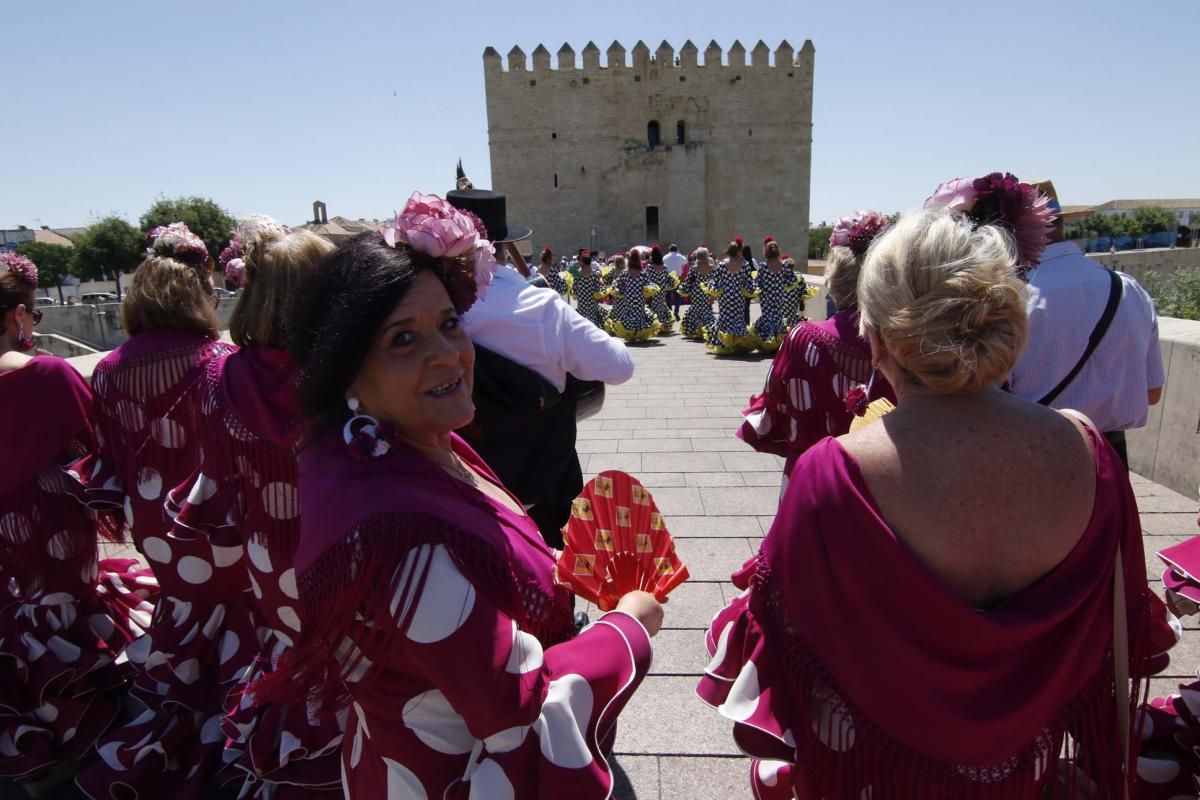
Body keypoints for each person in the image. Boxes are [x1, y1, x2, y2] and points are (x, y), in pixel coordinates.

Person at [698, 209, 1178, 799]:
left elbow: (792, 654)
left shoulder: (830, 472)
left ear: (874, 337)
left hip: (878, 779)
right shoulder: (1089, 451)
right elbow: (1117, 626)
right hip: (1022, 776)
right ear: (1009, 322)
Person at [256, 201, 662, 799]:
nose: (447, 354)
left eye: (449, 323)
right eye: (402, 339)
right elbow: (513, 704)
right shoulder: (396, 528)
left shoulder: (399, 443)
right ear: (344, 369)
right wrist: (632, 625)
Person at [75, 223, 248, 799]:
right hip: (209, 516)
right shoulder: (219, 359)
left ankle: (175, 726)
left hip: (150, 519)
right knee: (234, 622)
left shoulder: (107, 369)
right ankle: (228, 739)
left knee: (186, 613)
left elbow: (110, 453)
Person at [171, 219, 344, 798]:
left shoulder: (221, 374)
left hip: (270, 561)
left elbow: (215, 481)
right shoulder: (341, 375)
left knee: (296, 654)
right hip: (343, 553)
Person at [0, 252, 153, 791]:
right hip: (47, 527)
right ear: (19, 316)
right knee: (61, 613)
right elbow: (101, 448)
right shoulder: (45, 375)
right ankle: (66, 735)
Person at [445, 191, 634, 549]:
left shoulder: (427, 304)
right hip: (541, 487)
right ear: (502, 247)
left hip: (457, 489)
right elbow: (620, 366)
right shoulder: (539, 305)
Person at [1008, 179, 1164, 470]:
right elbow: (1151, 393)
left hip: (1036, 458)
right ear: (1062, 223)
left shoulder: (1013, 300)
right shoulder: (1129, 289)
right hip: (1112, 460)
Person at [738, 212, 896, 487]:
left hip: (810, 481)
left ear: (835, 278)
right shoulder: (903, 346)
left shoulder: (804, 338)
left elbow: (775, 404)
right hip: (883, 485)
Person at [705, 241, 756, 355]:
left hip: (725, 297)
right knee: (738, 318)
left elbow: (716, 281)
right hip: (739, 297)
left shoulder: (722, 265)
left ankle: (724, 342)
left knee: (725, 318)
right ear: (738, 251)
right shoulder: (745, 265)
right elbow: (749, 282)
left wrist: (712, 293)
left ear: (728, 251)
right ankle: (737, 343)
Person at [749, 236, 792, 353]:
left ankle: (767, 340)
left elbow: (757, 281)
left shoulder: (763, 266)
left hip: (766, 297)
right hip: (779, 296)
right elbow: (790, 281)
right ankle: (777, 340)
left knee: (767, 316)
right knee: (777, 317)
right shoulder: (784, 266)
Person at [609, 249, 662, 341]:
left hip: (628, 299)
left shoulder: (625, 274)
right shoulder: (643, 274)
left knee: (629, 314)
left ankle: (630, 331)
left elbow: (618, 286)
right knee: (639, 314)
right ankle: (638, 331)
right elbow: (650, 285)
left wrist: (619, 292)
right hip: (639, 299)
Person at [678, 246, 716, 341]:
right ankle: (706, 327)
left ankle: (695, 328)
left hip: (696, 292)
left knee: (696, 309)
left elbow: (687, 282)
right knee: (706, 309)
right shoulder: (711, 268)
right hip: (707, 292)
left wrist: (683, 290)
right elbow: (716, 281)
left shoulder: (694, 269)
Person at [571, 250, 608, 330]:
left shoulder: (577, 274)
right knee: (593, 326)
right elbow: (598, 290)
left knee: (583, 325)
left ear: (582, 262)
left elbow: (574, 291)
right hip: (592, 305)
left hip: (582, 305)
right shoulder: (594, 274)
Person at [645, 244, 677, 334]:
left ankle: (655, 322)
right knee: (661, 304)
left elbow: (645, 278)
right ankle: (663, 323)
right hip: (662, 289)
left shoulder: (650, 267)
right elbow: (669, 278)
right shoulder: (664, 267)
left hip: (653, 289)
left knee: (653, 305)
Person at [663, 243, 688, 317]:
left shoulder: (665, 257)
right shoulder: (680, 257)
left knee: (668, 295)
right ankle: (676, 311)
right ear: (677, 250)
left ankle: (669, 309)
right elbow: (686, 262)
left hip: (668, 277)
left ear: (669, 250)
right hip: (678, 277)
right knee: (678, 295)